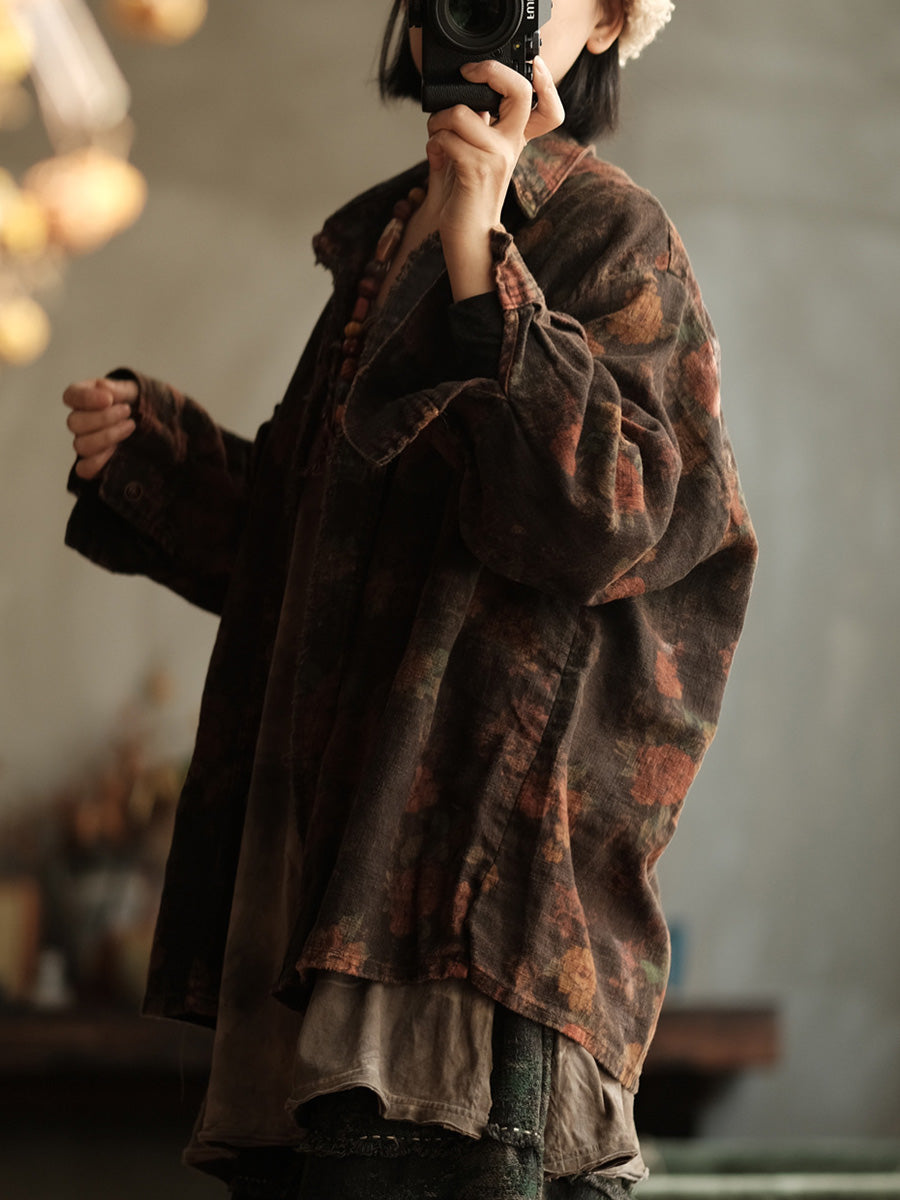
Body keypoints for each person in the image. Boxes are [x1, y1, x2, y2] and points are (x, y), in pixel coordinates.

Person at [62, 1, 757, 1196]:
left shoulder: (609, 234)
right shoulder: (390, 236)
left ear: (606, 23)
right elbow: (326, 571)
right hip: (315, 924)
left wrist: (488, 270)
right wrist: (161, 463)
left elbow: (608, 521)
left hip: (463, 956)